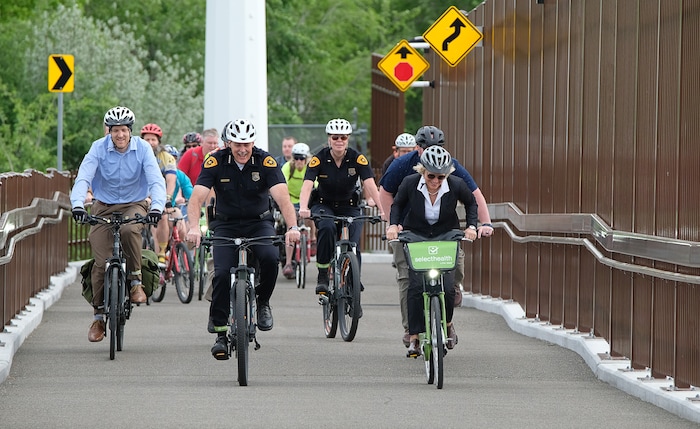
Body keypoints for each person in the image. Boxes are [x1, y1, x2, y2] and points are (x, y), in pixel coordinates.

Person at [185, 119, 300, 360]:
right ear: (229, 143)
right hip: (225, 224)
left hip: (259, 222)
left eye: (247, 144)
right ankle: (219, 334)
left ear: (253, 142)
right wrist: (194, 227)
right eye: (237, 144)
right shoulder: (215, 161)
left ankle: (263, 301)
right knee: (221, 273)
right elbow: (196, 198)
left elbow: (283, 199)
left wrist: (292, 227)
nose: (242, 149)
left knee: (270, 259)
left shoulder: (265, 161)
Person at [378, 125, 494, 347]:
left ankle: (448, 312)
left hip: (444, 230)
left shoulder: (450, 166)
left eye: (437, 147)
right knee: (408, 278)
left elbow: (473, 197)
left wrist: (482, 223)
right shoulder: (403, 166)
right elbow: (387, 194)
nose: (436, 178)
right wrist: (392, 224)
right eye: (426, 147)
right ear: (417, 148)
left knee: (454, 268)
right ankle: (411, 331)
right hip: (409, 229)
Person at [70, 106, 166, 343]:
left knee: (129, 229)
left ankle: (135, 281)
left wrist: (156, 208)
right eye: (115, 131)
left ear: (130, 131)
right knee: (101, 264)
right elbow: (83, 177)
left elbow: (155, 179)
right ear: (109, 131)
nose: (120, 135)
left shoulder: (143, 148)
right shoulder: (97, 148)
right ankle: (99, 317)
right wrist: (77, 206)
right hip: (104, 205)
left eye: (123, 130)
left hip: (134, 203)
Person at [298, 118, 383, 296]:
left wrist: (382, 210)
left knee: (353, 243)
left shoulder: (357, 158)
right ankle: (322, 273)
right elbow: (307, 184)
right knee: (327, 228)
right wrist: (304, 207)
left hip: (350, 206)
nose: (339, 141)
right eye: (335, 137)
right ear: (329, 138)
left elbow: (370, 184)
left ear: (348, 139)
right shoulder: (318, 158)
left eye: (343, 138)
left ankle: (354, 283)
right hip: (324, 205)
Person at [141, 123, 178, 264]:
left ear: (158, 141)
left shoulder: (166, 157)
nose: (150, 143)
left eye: (153, 140)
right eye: (147, 139)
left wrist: (167, 198)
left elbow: (171, 181)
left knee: (162, 216)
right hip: (141, 195)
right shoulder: (135, 155)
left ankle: (162, 252)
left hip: (159, 195)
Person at [280, 142, 317, 279]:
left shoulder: (311, 167)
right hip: (291, 200)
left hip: (307, 199)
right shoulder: (287, 167)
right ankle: (288, 263)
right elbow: (282, 186)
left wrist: (306, 205)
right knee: (290, 228)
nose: (299, 161)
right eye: (296, 158)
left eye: (302, 158)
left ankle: (312, 238)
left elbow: (316, 185)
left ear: (306, 158)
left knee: (310, 216)